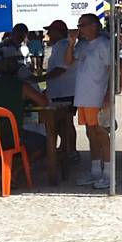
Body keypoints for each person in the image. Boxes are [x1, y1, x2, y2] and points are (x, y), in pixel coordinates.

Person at [65, 14, 113, 189]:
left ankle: (108, 173)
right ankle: (95, 171)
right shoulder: (82, 45)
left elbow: (112, 70)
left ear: (93, 26)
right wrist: (71, 43)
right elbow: (68, 62)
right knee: (90, 133)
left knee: (101, 134)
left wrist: (108, 95)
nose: (80, 28)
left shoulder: (104, 45)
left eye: (82, 25)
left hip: (97, 96)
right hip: (83, 97)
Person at [0, 54, 49, 161]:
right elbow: (44, 102)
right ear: (17, 71)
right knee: (44, 142)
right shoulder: (21, 85)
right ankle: (22, 167)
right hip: (13, 137)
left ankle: (11, 164)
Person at [38, 19, 77, 161]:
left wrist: (40, 79)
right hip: (60, 91)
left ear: (58, 32)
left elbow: (61, 68)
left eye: (50, 31)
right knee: (62, 123)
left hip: (65, 92)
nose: (48, 34)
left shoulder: (62, 46)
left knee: (66, 123)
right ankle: (66, 148)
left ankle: (71, 151)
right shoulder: (59, 46)